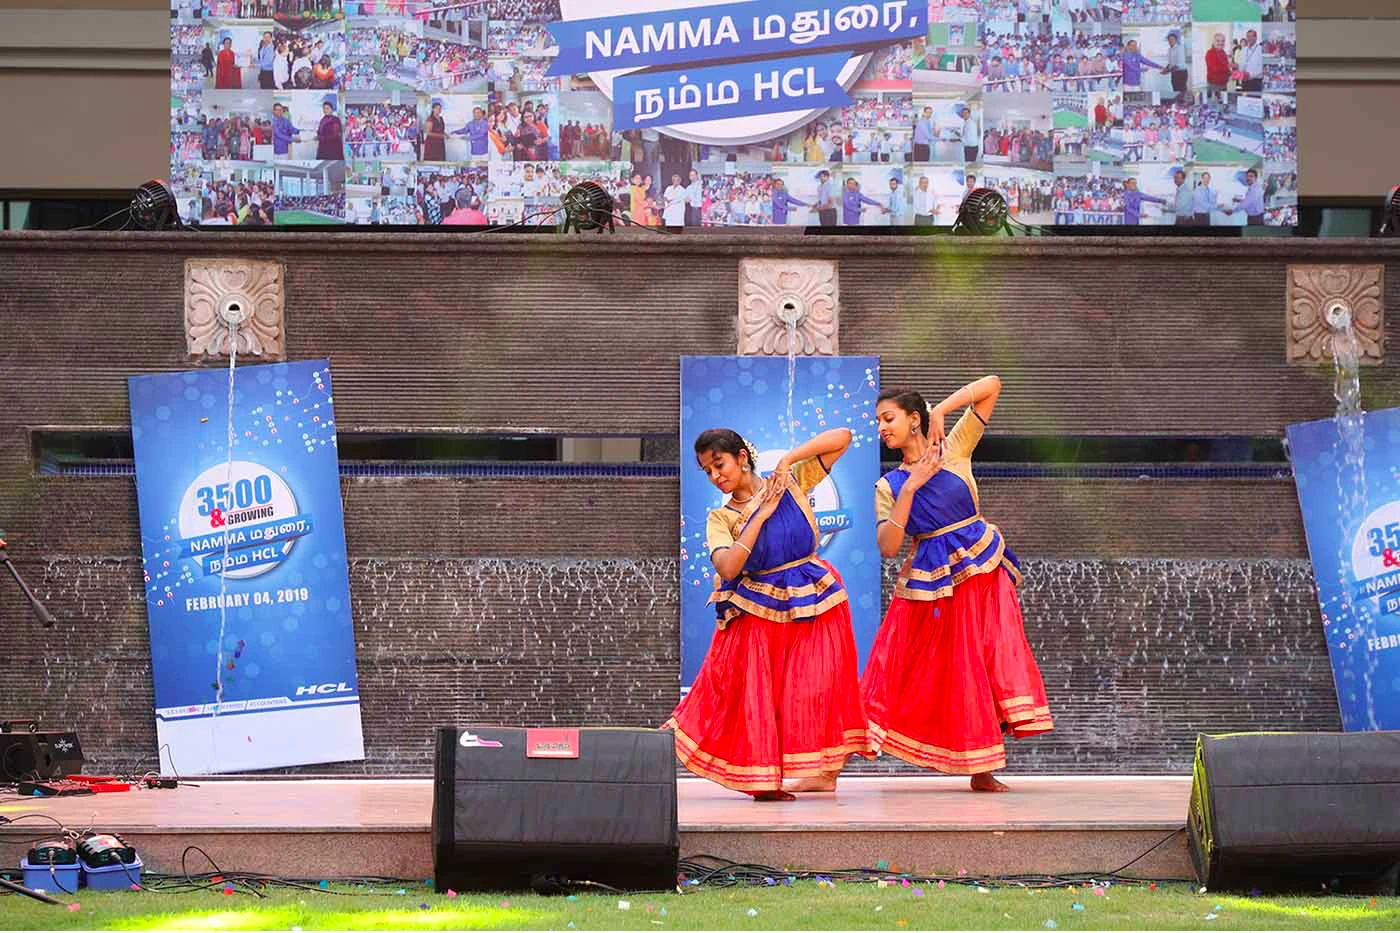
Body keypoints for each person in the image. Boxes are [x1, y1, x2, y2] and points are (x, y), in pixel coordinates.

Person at [861, 381, 1053, 790]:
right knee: (908, 663)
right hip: (933, 585)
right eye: (878, 421)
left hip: (983, 572)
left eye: (888, 418)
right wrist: (911, 488)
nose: (881, 427)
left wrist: (943, 411)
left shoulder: (955, 447)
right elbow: (889, 546)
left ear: (915, 420)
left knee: (984, 661)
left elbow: (993, 385)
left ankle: (982, 769)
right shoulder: (888, 486)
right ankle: (843, 755)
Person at [666, 428, 873, 799]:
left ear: (742, 457)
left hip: (814, 600)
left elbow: (843, 436)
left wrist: (788, 459)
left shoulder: (791, 481)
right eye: (707, 471)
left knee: (819, 687)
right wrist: (759, 515)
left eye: (720, 464)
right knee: (763, 696)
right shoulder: (720, 517)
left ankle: (824, 772)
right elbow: (728, 568)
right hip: (759, 612)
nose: (716, 476)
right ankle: (764, 781)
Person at [316, 94, 343, 160]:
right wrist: (318, 135)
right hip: (323, 149)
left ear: (331, 109)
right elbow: (320, 131)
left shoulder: (335, 120)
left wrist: (321, 137)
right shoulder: (323, 119)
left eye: (327, 108)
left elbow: (335, 135)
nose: (325, 110)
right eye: (324, 108)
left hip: (333, 149)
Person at [1205, 33, 1230, 97]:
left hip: (1223, 84)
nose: (1220, 43)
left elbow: (1226, 65)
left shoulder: (1223, 52)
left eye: (1223, 41)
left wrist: (1230, 73)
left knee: (1223, 101)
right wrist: (1229, 68)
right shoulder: (1210, 53)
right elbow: (1215, 68)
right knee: (1215, 103)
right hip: (1214, 85)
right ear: (1213, 42)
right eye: (1218, 41)